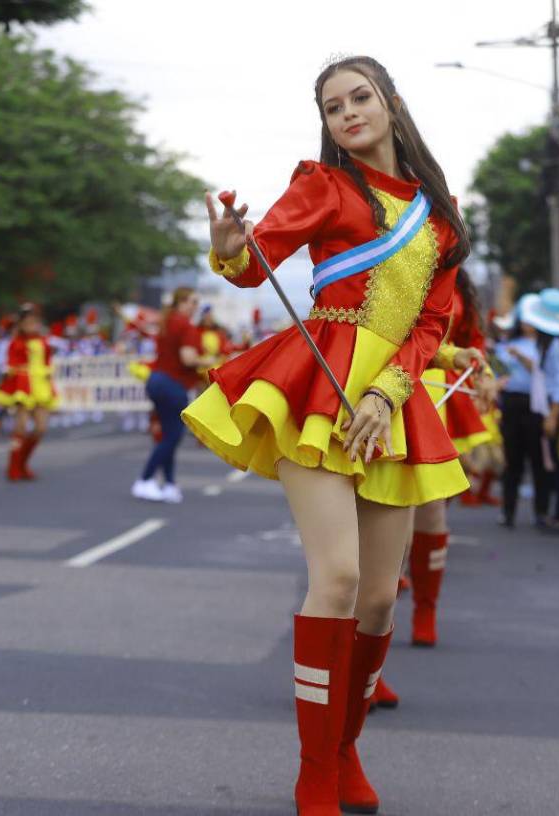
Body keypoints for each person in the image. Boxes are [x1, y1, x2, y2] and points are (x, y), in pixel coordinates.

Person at [182, 56, 469, 815]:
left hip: (390, 399)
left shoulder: (438, 216)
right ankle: (314, 773)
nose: (347, 113)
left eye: (360, 97)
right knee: (337, 580)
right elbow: (255, 266)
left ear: (391, 102)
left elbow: (433, 322)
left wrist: (389, 390)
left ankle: (347, 750)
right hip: (316, 380)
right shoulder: (324, 184)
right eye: (332, 105)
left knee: (378, 601)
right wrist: (230, 242)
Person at [410, 267, 490, 648]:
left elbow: (473, 342)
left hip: (436, 394)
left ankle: (426, 608)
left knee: (431, 509)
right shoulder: (393, 258)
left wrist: (482, 370)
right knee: (384, 515)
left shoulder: (457, 283)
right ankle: (377, 611)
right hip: (383, 388)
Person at [492, 295, 559, 530]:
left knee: (539, 461)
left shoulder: (548, 345)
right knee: (512, 461)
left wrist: (524, 360)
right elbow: (496, 370)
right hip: (512, 403)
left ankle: (541, 511)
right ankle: (508, 511)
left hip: (536, 405)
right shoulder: (506, 344)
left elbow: (551, 376)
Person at [130, 287, 206, 504]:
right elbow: (188, 359)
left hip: (157, 380)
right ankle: (144, 479)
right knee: (172, 437)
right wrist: (210, 361)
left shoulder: (167, 321)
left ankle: (170, 484)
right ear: (181, 302)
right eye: (192, 301)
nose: (195, 306)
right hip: (173, 384)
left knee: (169, 436)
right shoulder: (186, 326)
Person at [0, 304, 57, 482]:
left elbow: (47, 362)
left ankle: (23, 462)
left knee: (40, 428)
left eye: (34, 322)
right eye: (27, 322)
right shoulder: (16, 342)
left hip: (41, 385)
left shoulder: (44, 341)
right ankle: (14, 466)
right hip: (23, 384)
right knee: (20, 427)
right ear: (21, 325)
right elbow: (10, 363)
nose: (31, 325)